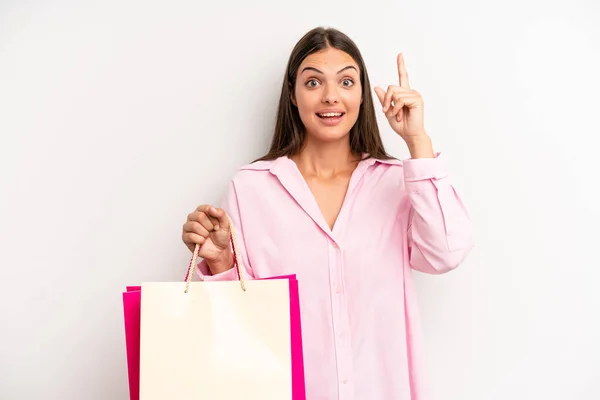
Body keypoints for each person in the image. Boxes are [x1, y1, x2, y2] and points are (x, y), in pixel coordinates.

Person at [181, 26, 474, 400]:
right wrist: (221, 260)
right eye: (314, 82)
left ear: (363, 95)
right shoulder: (252, 187)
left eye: (347, 82)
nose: (331, 96)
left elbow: (446, 252)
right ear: (293, 94)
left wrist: (417, 141)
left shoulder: (397, 182)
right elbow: (241, 323)